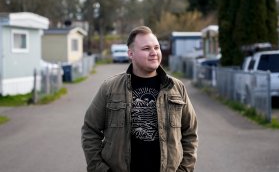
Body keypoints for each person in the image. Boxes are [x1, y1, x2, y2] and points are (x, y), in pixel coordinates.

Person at [81, 26, 198, 172]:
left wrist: (184, 169)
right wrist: (100, 169)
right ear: (131, 54)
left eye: (156, 47)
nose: (154, 53)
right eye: (146, 48)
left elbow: (190, 133)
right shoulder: (110, 88)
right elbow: (90, 130)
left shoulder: (176, 87)